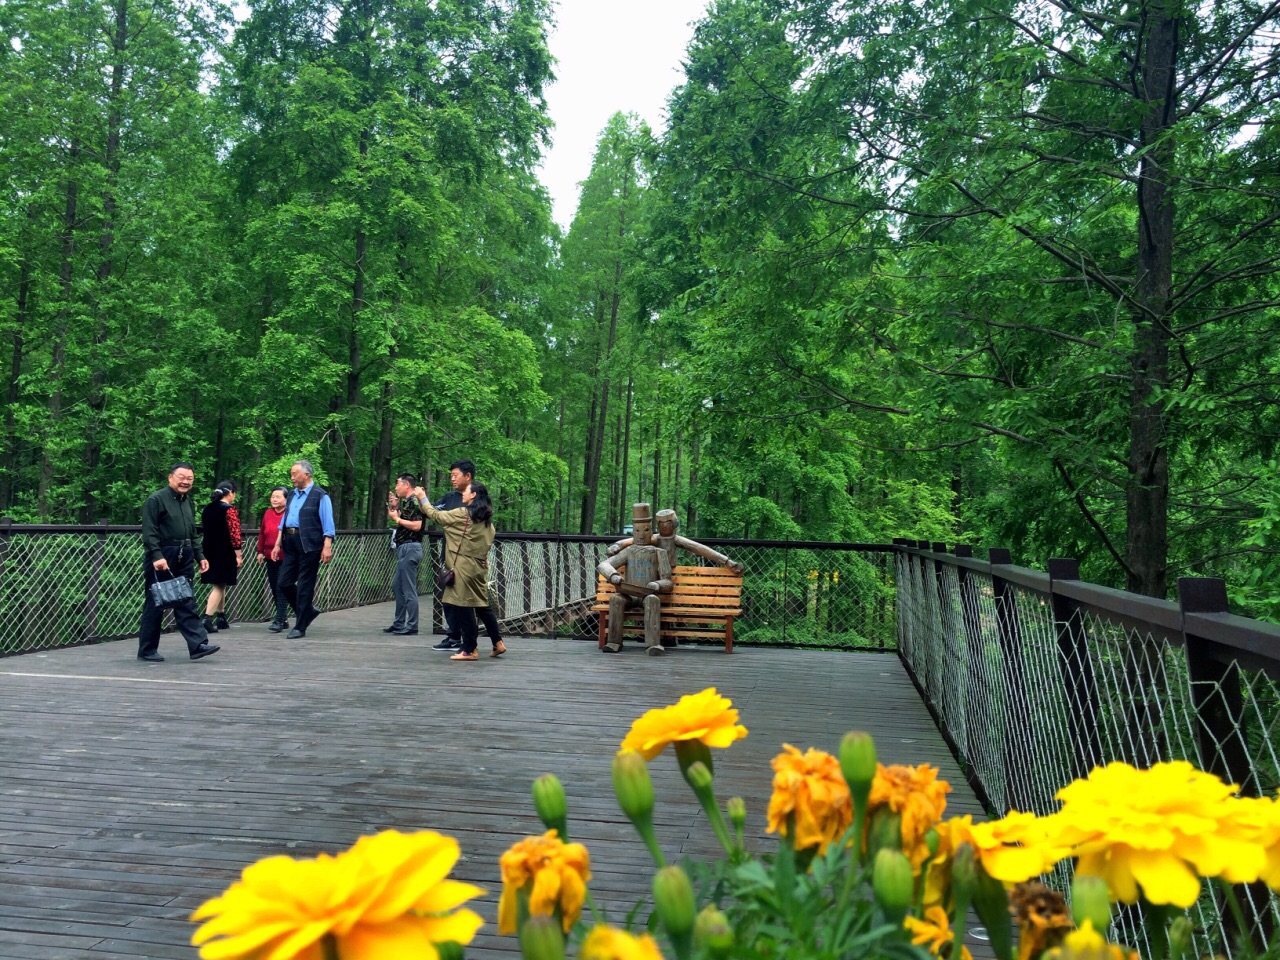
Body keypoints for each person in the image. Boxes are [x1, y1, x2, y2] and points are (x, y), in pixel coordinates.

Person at [137, 462, 220, 662]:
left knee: (186, 598)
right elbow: (150, 531)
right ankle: (147, 649)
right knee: (156, 600)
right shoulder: (156, 500)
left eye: (189, 479)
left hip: (185, 553)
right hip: (164, 553)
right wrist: (156, 555)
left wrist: (200, 556)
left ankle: (197, 645)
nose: (185, 482)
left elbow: (192, 532)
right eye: (181, 477)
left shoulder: (187, 502)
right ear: (170, 477)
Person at [412, 480, 497, 661]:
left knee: (463, 607)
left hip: (462, 568)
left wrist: (422, 497)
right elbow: (487, 542)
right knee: (480, 605)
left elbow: (437, 516)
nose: (462, 494)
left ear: (473, 495)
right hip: (478, 567)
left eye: (466, 491)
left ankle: (469, 649)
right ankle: (497, 642)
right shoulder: (487, 521)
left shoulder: (463, 514)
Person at [270, 459, 335, 639]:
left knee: (306, 585)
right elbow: (285, 519)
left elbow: (328, 522)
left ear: (306, 475)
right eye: (291, 474)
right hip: (289, 541)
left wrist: (327, 546)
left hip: (310, 544)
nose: (291, 477)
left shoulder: (320, 495)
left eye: (294, 474)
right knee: (283, 583)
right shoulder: (291, 495)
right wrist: (277, 544)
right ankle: (308, 610)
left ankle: (300, 626)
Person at [597, 503, 672, 656]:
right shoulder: (628, 551)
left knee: (652, 600)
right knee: (616, 600)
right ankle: (613, 642)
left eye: (645, 530)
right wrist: (614, 576)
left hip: (647, 594)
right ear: (633, 532)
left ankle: (653, 645)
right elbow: (604, 564)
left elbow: (668, 582)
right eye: (637, 531)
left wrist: (657, 585)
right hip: (629, 594)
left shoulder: (659, 552)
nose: (642, 534)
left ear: (651, 531)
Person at [429, 459, 473, 651]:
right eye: (451, 476)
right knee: (448, 598)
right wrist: (409, 503)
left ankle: (469, 641)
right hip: (449, 555)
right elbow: (430, 511)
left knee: (466, 601)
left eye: (456, 475)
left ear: (468, 476)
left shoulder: (477, 497)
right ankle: (454, 636)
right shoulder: (449, 498)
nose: (452, 479)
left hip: (469, 559)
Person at [384, 472, 425, 635]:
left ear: (407, 484)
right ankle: (399, 623)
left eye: (398, 483)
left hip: (411, 547)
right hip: (404, 548)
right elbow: (406, 520)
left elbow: (417, 526)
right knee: (397, 586)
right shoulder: (408, 502)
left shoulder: (415, 500)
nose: (396, 487)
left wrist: (397, 519)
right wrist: (396, 508)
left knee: (408, 588)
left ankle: (412, 625)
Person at [200, 481, 242, 633]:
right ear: (230, 492)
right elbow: (235, 534)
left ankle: (221, 616)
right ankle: (207, 617)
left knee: (219, 582)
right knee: (220, 584)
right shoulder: (229, 510)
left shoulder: (207, 509)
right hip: (224, 550)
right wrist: (238, 554)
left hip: (208, 549)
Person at [255, 486, 290, 632]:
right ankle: (284, 617)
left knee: (281, 586)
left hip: (286, 555)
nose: (274, 499)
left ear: (286, 499)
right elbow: (262, 532)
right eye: (273, 496)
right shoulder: (268, 513)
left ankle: (279, 620)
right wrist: (260, 551)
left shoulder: (289, 514)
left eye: (278, 496)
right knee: (274, 586)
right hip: (270, 555)